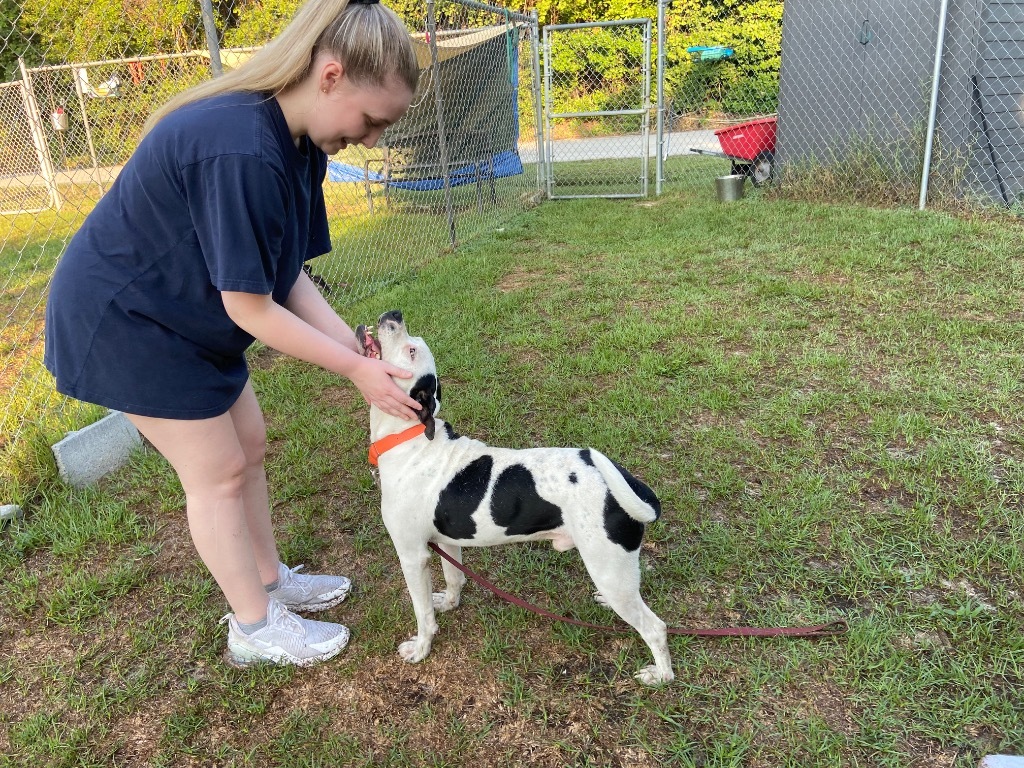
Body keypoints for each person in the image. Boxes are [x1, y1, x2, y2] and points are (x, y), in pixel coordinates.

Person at [44, 0, 422, 668]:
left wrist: (356, 344)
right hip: (128, 319)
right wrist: (353, 370)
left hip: (183, 313)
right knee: (216, 471)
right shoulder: (241, 147)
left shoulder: (302, 146)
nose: (371, 139)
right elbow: (251, 308)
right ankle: (252, 626)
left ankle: (272, 583)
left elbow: (285, 278)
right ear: (330, 76)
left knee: (248, 442)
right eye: (372, 121)